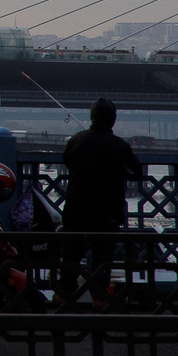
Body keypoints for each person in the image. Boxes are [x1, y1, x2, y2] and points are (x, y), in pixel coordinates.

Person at [57, 97, 144, 308]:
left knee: (71, 254)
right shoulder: (120, 146)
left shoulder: (76, 140)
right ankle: (98, 297)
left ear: (92, 117)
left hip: (76, 207)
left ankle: (63, 295)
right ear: (112, 120)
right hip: (107, 210)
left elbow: (67, 161)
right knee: (102, 257)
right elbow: (136, 172)